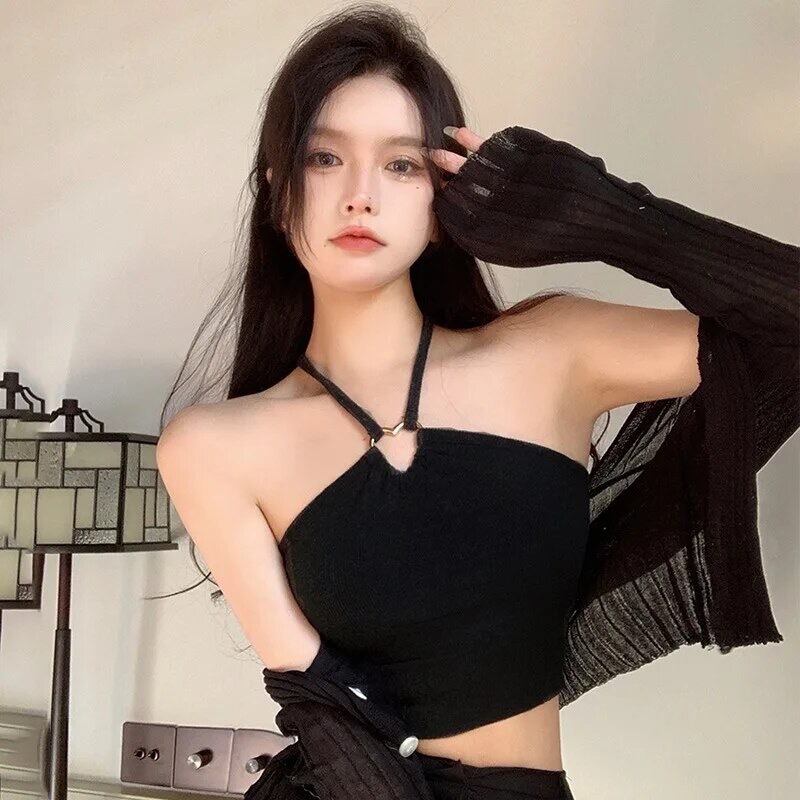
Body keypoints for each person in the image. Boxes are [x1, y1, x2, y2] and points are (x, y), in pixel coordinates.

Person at [154, 5, 798, 798]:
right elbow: (324, 705)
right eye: (324, 158)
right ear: (277, 193)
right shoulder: (214, 446)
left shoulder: (554, 353)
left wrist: (599, 211)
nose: (360, 195)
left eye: (400, 164)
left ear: (445, 201)